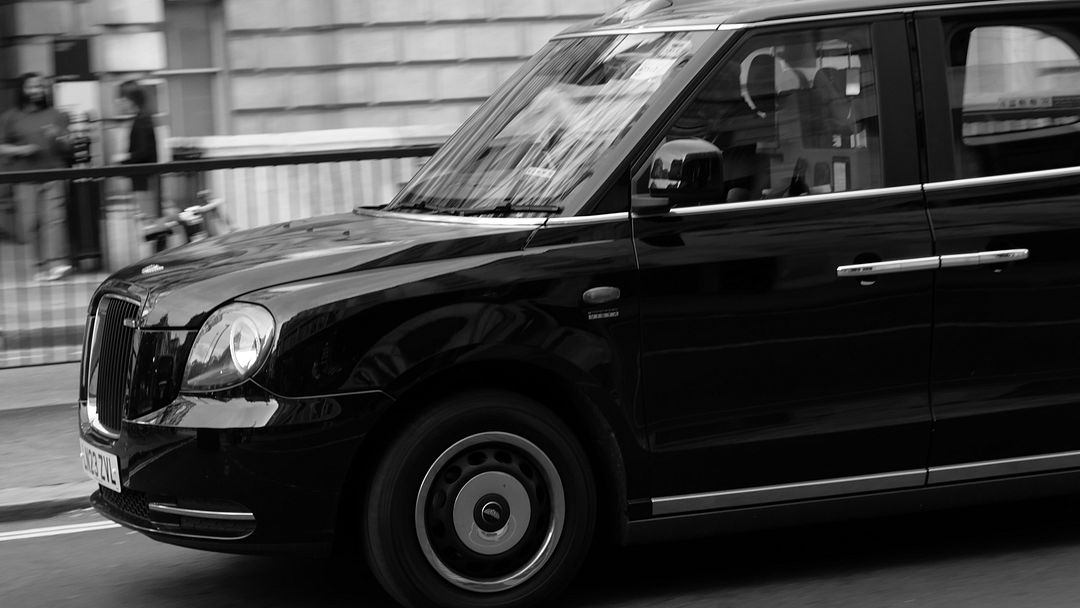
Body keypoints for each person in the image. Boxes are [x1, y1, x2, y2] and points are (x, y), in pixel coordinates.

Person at [0, 73, 73, 280]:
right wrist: (21, 150)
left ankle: (57, 263)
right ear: (22, 90)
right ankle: (41, 265)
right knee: (31, 223)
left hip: (53, 173)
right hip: (25, 177)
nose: (37, 90)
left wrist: (57, 137)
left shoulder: (57, 115)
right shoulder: (10, 118)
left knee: (55, 219)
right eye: (31, 87)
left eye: (40, 86)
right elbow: (2, 146)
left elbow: (68, 144)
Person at [114, 80, 158, 215]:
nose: (119, 102)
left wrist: (124, 159)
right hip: (144, 178)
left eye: (122, 99)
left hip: (144, 179)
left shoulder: (141, 120)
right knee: (147, 216)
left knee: (148, 217)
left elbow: (144, 151)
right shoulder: (142, 118)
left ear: (131, 100)